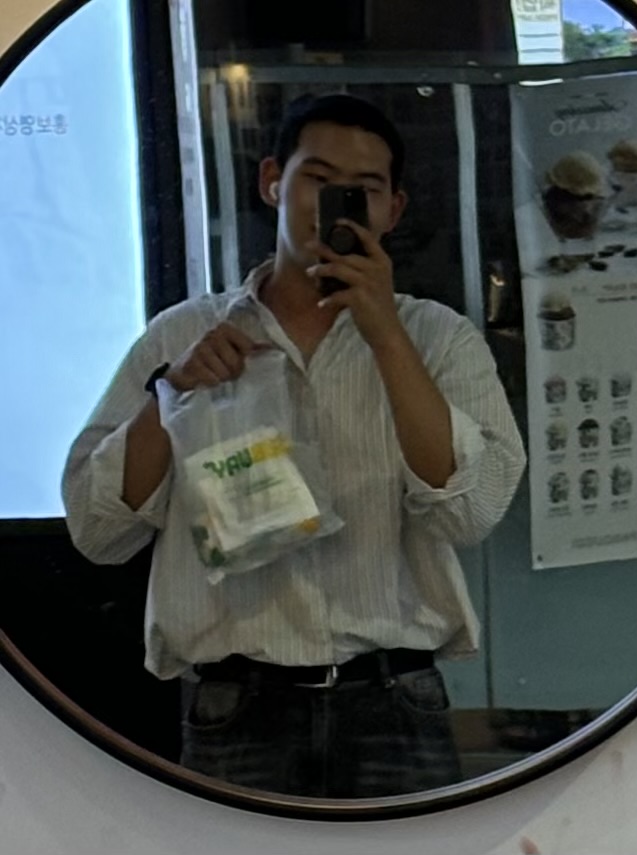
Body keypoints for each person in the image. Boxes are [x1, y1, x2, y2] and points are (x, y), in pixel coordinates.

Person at [62, 93, 526, 799]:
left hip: (395, 698)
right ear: (272, 181)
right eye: (318, 177)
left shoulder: (438, 338)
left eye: (365, 188)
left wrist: (385, 334)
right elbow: (97, 531)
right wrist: (171, 393)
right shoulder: (180, 335)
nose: (336, 203)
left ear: (393, 210)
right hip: (235, 705)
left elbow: (472, 512)